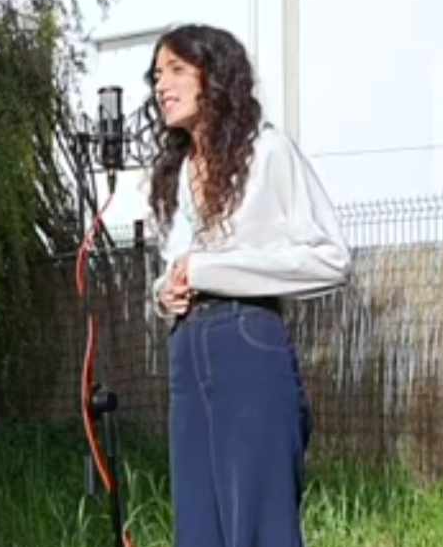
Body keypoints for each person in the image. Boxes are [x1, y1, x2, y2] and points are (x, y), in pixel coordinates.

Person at [134, 24, 351, 547]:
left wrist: (210, 271)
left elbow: (330, 258)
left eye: (177, 70)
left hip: (247, 339)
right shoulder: (178, 172)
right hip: (187, 347)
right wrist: (166, 292)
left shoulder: (268, 151)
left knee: (259, 525)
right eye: (158, 74)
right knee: (198, 528)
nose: (162, 85)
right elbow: (177, 263)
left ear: (216, 76)